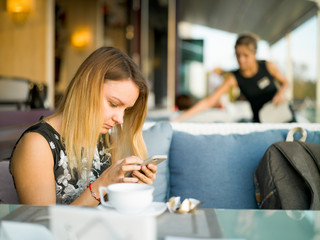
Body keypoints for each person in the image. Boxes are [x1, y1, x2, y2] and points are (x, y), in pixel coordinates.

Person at [9, 47, 157, 206]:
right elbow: (45, 226)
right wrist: (102, 184)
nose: (120, 119)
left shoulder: (108, 143)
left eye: (126, 110)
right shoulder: (37, 145)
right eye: (113, 104)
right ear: (86, 87)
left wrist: (133, 190)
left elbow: (110, 211)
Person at [174, 34, 293, 123]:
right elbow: (210, 101)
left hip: (284, 116)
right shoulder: (234, 78)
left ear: (254, 54)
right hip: (261, 123)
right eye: (238, 55)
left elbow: (286, 82)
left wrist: (281, 93)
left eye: (246, 55)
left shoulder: (268, 66)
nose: (241, 60)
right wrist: (181, 118)